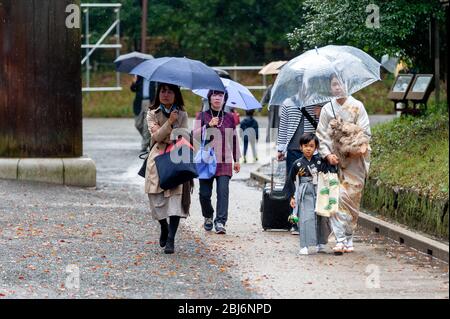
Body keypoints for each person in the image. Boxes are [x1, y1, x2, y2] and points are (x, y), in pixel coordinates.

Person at [315, 74, 371, 255]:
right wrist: (327, 154)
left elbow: (365, 132)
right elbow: (321, 135)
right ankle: (339, 238)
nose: (337, 87)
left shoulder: (357, 106)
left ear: (348, 84)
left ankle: (349, 236)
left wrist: (353, 144)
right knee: (336, 196)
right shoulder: (326, 109)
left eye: (340, 83)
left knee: (352, 198)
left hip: (355, 162)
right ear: (330, 88)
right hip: (334, 162)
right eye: (334, 84)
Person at [145, 82, 190, 254]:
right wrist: (170, 122)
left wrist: (172, 132)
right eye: (163, 91)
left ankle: (171, 238)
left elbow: (184, 136)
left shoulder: (182, 113)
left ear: (176, 94)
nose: (166, 94)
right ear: (158, 93)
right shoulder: (151, 113)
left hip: (177, 157)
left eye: (170, 91)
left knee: (175, 201)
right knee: (156, 199)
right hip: (157, 158)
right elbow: (156, 136)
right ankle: (163, 226)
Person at [193, 90, 241, 234]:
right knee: (204, 194)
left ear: (225, 98)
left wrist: (237, 159)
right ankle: (208, 216)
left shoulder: (230, 117)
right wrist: (207, 126)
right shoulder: (201, 116)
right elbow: (193, 135)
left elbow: (234, 138)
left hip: (224, 159)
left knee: (223, 192)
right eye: (214, 95)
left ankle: (220, 221)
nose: (217, 98)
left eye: (220, 95)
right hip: (205, 160)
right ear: (209, 98)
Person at [284, 133, 333, 255]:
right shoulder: (297, 163)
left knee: (321, 216)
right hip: (304, 191)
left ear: (316, 147)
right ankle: (304, 245)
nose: (308, 148)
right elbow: (290, 180)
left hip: (319, 190)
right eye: (305, 145)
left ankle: (321, 243)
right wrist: (292, 196)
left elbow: (328, 175)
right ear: (301, 147)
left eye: (311, 146)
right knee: (306, 218)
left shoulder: (320, 162)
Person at [276, 94, 318, 235]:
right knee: (293, 184)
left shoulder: (317, 100)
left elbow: (320, 126)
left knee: (311, 185)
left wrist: (319, 112)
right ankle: (294, 221)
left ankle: (309, 221)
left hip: (312, 150)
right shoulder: (287, 101)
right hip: (293, 148)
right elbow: (283, 126)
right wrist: (281, 148)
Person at [131, 75, 156, 152]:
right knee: (138, 124)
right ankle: (149, 139)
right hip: (139, 102)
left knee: (146, 125)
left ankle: (144, 145)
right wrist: (134, 83)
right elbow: (133, 89)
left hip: (150, 102)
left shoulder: (154, 79)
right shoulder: (139, 77)